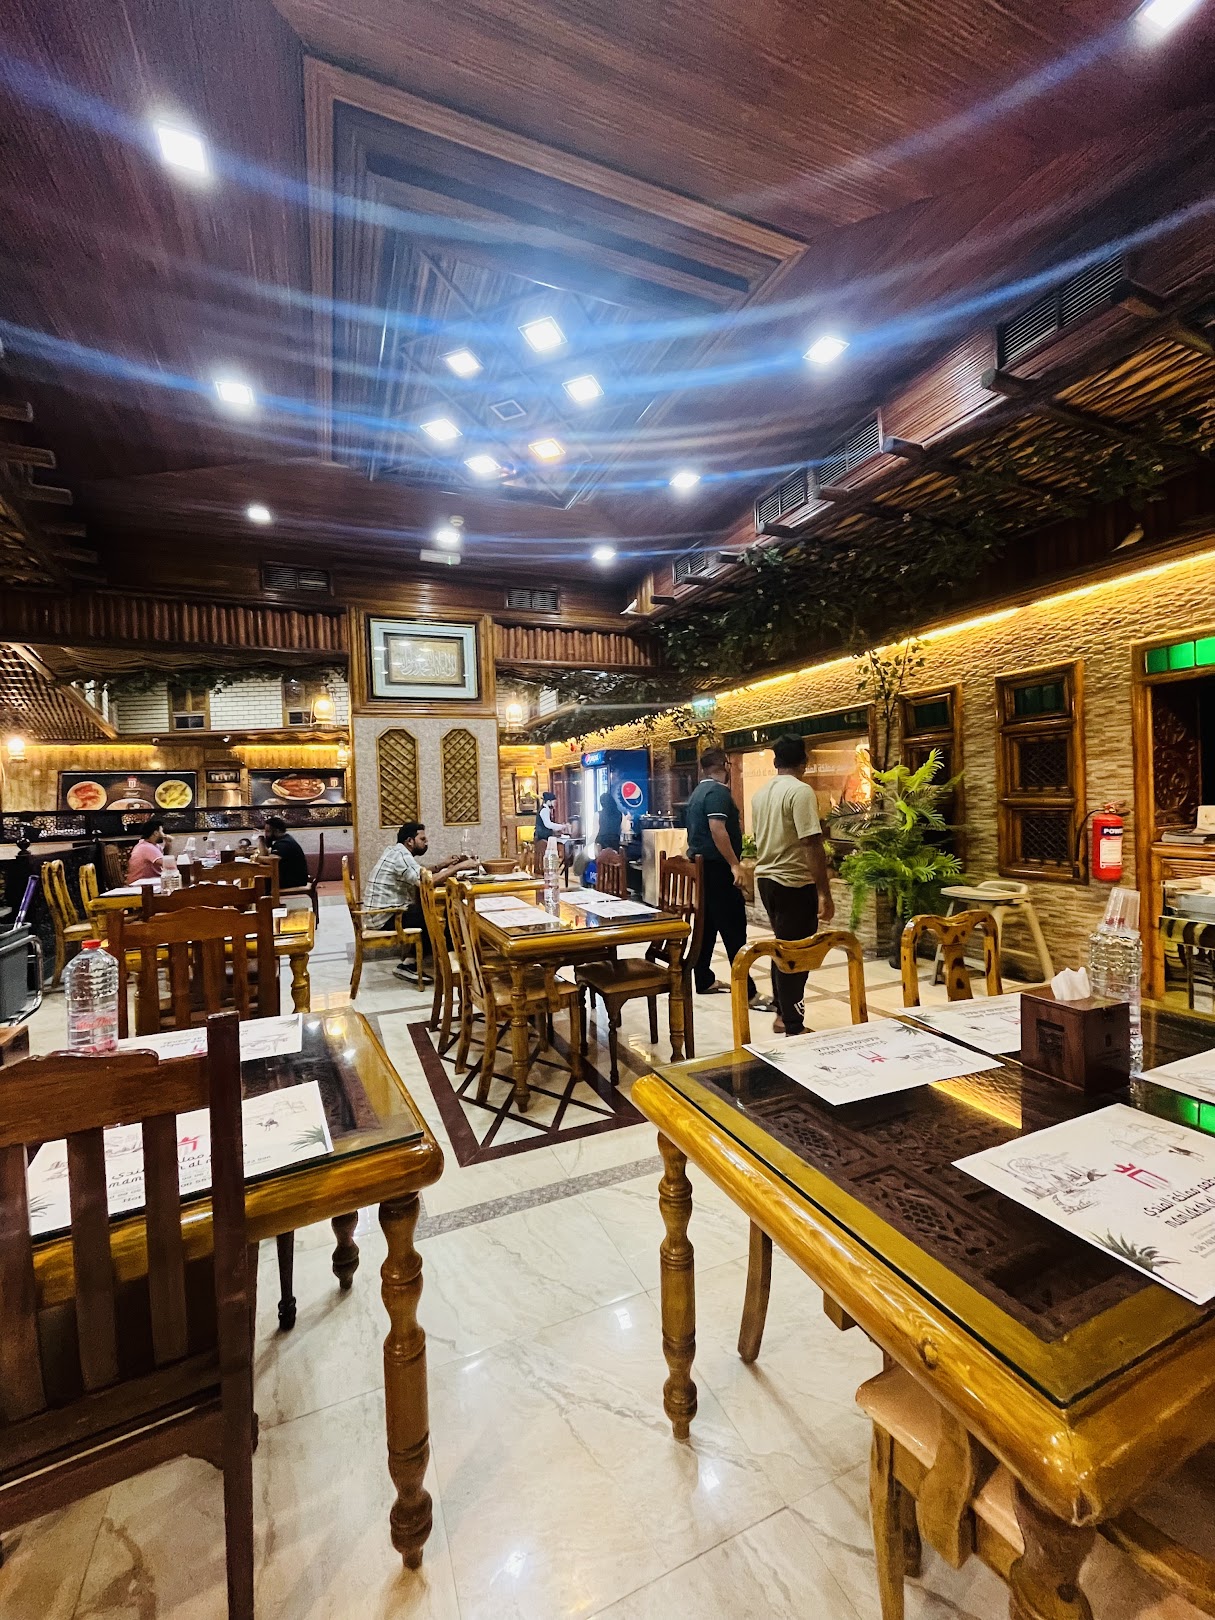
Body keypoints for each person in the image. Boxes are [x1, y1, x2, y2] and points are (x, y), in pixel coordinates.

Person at [751, 734, 835, 1035]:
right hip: (793, 882)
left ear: (776, 761)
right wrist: (824, 892)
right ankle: (791, 1023)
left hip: (767, 880)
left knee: (783, 947)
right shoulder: (800, 792)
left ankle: (782, 1012)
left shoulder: (761, 794)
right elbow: (810, 842)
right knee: (798, 953)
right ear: (804, 761)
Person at [683, 748, 758, 1004]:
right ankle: (747, 991)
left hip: (703, 868)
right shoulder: (717, 793)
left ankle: (703, 977)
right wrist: (735, 865)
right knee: (734, 927)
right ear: (723, 765)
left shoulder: (698, 792)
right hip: (718, 868)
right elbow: (717, 828)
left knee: (708, 926)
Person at [362, 822, 477, 981]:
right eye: (422, 839)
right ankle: (451, 961)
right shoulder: (402, 856)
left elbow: (419, 874)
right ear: (410, 841)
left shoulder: (396, 852)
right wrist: (459, 867)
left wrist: (441, 865)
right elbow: (427, 882)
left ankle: (413, 961)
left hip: (381, 914)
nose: (426, 842)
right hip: (384, 917)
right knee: (435, 915)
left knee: (430, 911)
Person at [261, 815, 309, 889]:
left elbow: (272, 860)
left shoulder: (284, 843)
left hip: (294, 881)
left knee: (260, 884)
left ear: (277, 831)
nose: (266, 835)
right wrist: (262, 841)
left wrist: (256, 858)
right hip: (292, 878)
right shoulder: (285, 839)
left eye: (268, 831)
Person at [126, 817, 167, 882]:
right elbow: (166, 864)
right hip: (140, 883)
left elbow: (165, 857)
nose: (164, 835)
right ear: (156, 833)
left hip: (148, 880)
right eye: (162, 831)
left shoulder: (151, 844)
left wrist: (168, 843)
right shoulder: (146, 847)